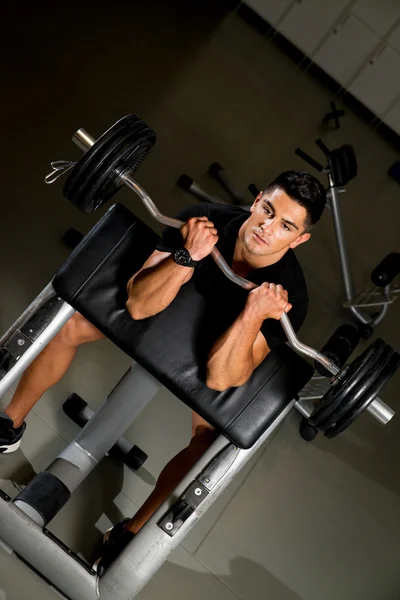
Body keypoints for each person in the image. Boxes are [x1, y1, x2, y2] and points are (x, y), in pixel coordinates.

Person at [0, 170, 326, 572]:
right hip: (166, 304)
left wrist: (254, 314)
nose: (266, 227)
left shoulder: (289, 295)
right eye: (267, 210)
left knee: (207, 440)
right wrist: (189, 254)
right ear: (257, 198)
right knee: (70, 326)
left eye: (285, 226)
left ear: (299, 240)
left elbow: (219, 379)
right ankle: (7, 426)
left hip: (216, 345)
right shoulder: (204, 218)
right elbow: (137, 305)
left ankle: (128, 535)